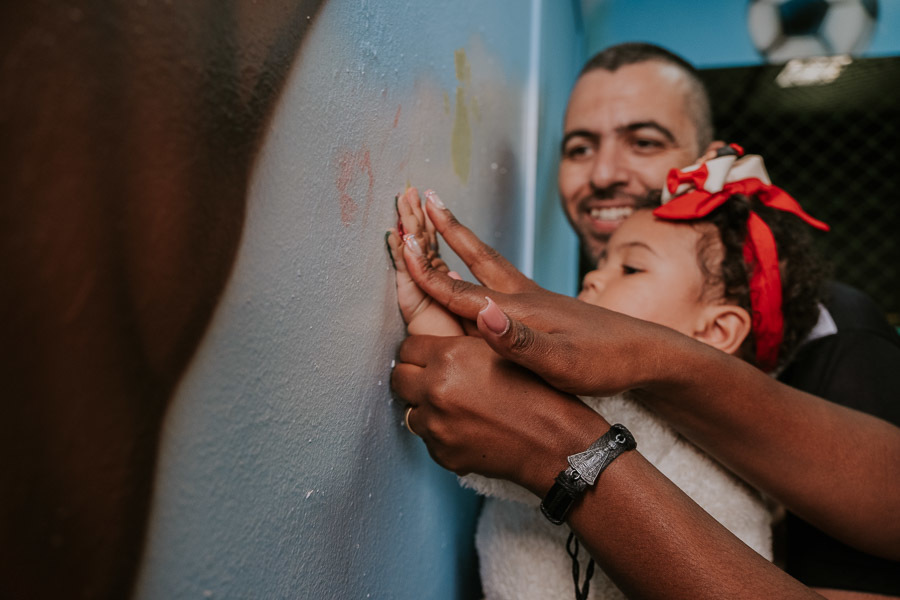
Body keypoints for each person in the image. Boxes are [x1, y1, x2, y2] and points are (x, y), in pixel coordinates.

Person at [388, 149, 830, 599]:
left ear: (718, 328)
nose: (595, 280)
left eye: (631, 267)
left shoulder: (641, 427)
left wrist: (433, 309)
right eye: (601, 263)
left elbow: (492, 413)